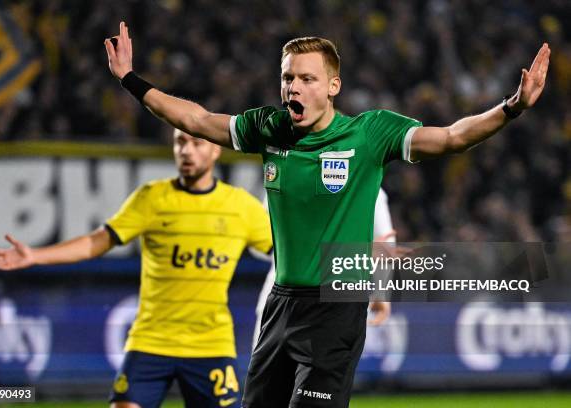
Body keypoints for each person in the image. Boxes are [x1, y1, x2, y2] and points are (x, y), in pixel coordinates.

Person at [104, 22, 549, 407]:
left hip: (336, 305)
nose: (292, 88)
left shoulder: (370, 133)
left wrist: (512, 107)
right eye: (287, 78)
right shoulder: (270, 127)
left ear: (333, 86)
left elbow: (452, 136)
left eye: (306, 79)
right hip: (280, 304)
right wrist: (130, 80)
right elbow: (197, 120)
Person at [0, 129, 273, 408]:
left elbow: (284, 251)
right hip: (151, 341)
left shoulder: (241, 208)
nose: (186, 150)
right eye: (179, 142)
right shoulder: (151, 198)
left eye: (196, 143)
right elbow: (96, 242)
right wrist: (36, 255)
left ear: (215, 149)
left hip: (211, 345)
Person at [252, 188, 395, 350]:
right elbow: (386, 246)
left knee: (270, 373)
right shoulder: (367, 179)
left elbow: (260, 244)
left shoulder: (282, 171)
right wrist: (381, 294)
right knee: (324, 373)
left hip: (282, 296)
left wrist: (291, 252)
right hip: (336, 300)